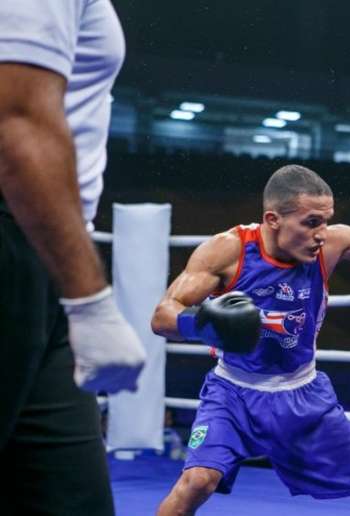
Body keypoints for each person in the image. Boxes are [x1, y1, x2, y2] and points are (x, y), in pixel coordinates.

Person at [151, 164, 350, 515]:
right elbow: (162, 316)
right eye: (311, 222)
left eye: (326, 221)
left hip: (304, 395)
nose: (321, 233)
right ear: (273, 218)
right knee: (197, 482)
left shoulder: (333, 243)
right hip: (233, 392)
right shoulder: (227, 251)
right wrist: (204, 323)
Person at [0, 1, 146, 514]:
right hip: (14, 240)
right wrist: (90, 302)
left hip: (37, 258)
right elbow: (14, 122)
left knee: (70, 498)